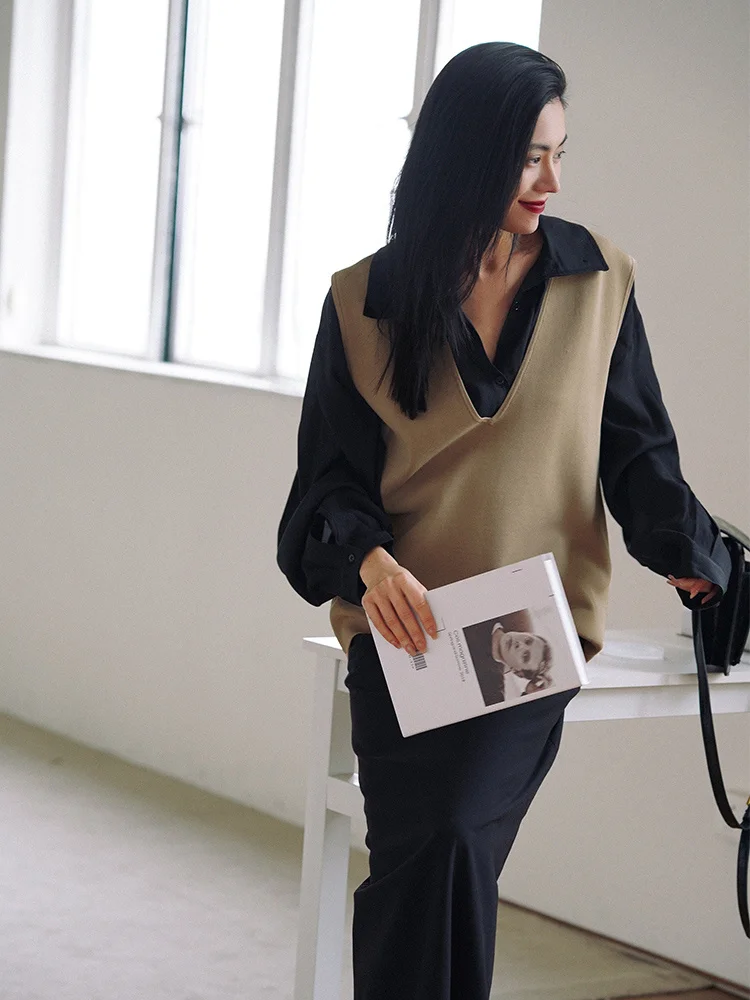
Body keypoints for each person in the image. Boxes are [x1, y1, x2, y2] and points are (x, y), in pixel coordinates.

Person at [277, 40, 731, 1000]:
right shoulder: (364, 300)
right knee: (430, 853)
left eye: (560, 153)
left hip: (531, 621)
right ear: (468, 156)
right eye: (530, 158)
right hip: (407, 625)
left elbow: (638, 455)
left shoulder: (598, 281)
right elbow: (326, 485)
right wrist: (372, 566)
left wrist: (692, 556)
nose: (553, 182)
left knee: (446, 837)